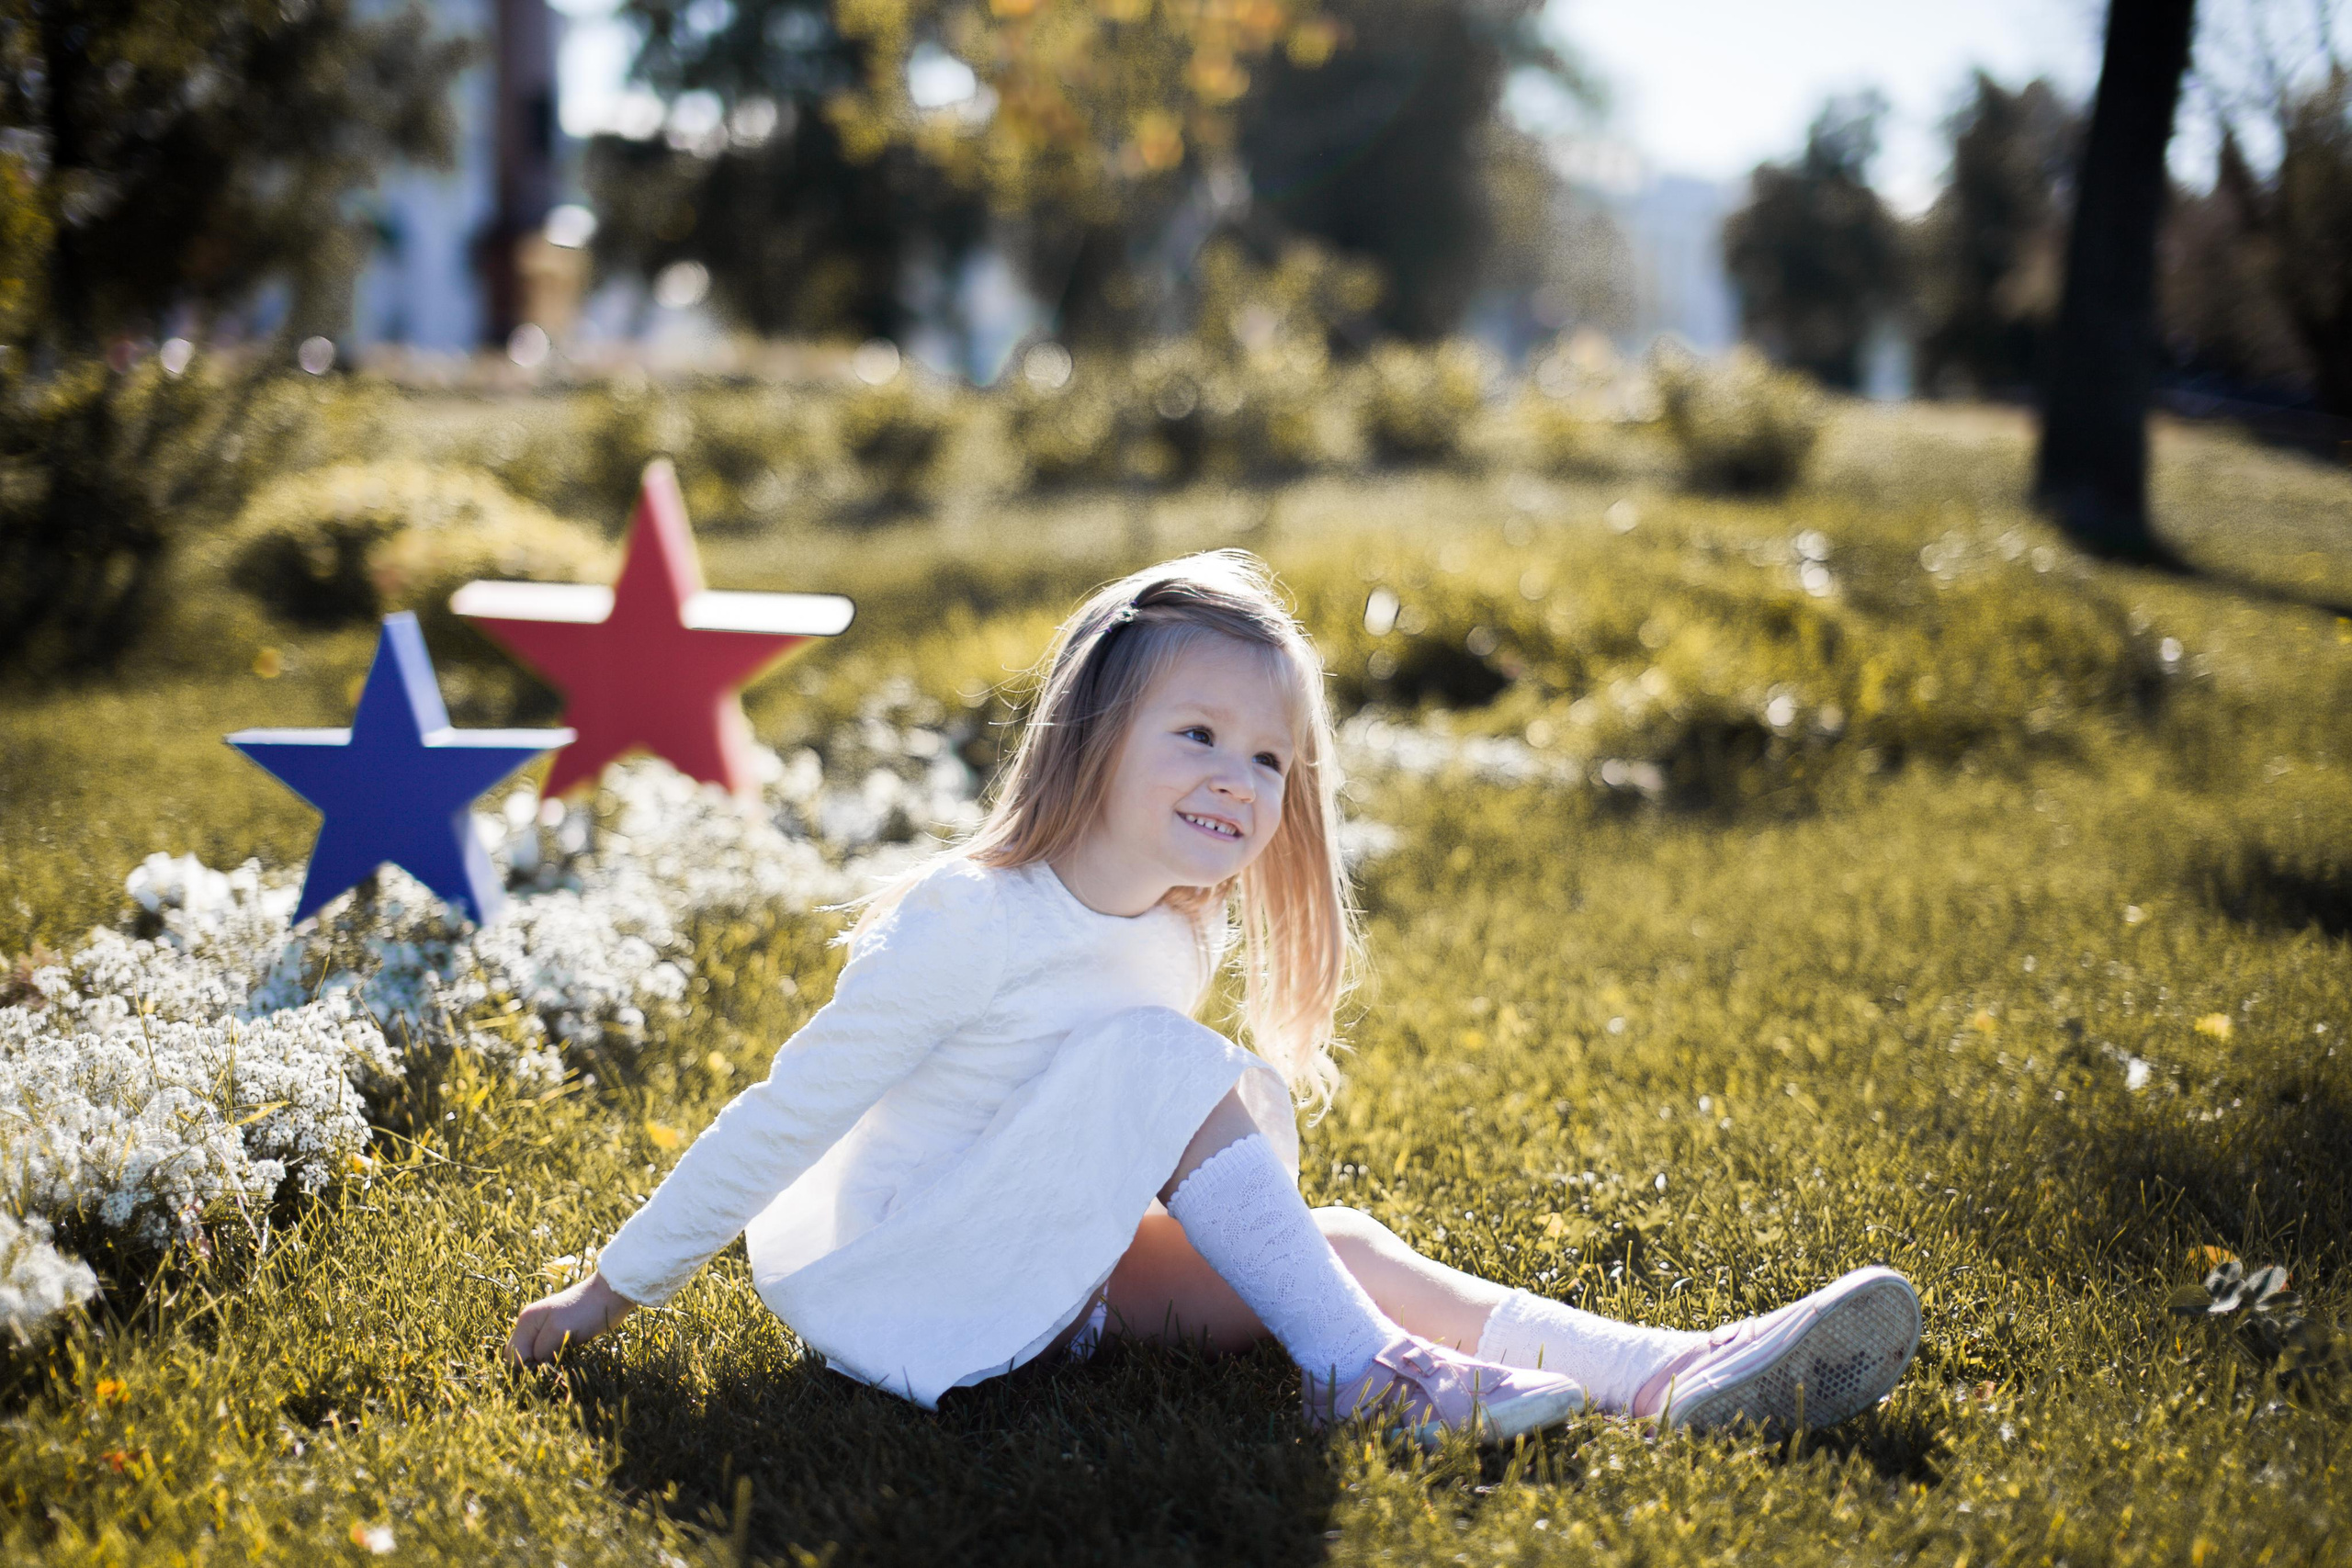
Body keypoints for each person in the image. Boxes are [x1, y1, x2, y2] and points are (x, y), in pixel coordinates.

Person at [506, 549, 1921, 1443]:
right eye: (1199, 734)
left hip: (1046, 1269)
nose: (1240, 782)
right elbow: (786, 1117)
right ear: (1092, 736)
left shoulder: (1174, 932)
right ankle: (1359, 1377)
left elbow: (1079, 1142)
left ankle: (1666, 1372)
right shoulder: (972, 923)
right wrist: (601, 1298)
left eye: (1270, 758)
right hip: (908, 1284)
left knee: (1340, 1234)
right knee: (1153, 1061)